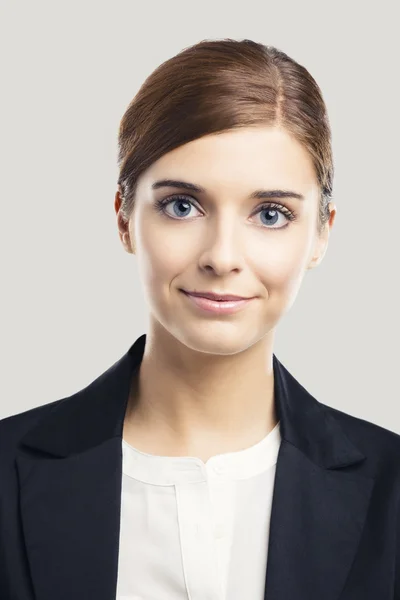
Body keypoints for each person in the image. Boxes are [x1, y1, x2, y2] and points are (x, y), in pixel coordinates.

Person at [1, 38, 400, 600]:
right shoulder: (7, 470)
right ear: (123, 218)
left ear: (322, 232)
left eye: (270, 214)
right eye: (182, 205)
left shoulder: (391, 488)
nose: (222, 255)